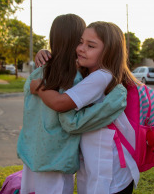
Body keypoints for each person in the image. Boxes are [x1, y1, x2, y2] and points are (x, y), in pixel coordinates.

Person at [17, 14, 127, 194]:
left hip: (34, 152)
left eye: (89, 45)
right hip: (56, 156)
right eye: (80, 42)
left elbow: (60, 104)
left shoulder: (43, 72)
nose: (81, 48)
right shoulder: (73, 75)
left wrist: (39, 87)